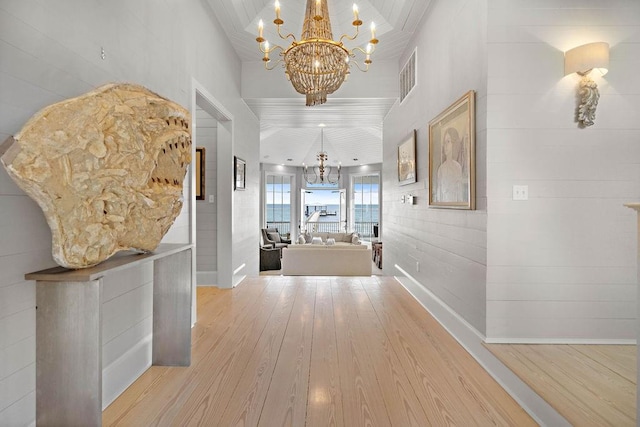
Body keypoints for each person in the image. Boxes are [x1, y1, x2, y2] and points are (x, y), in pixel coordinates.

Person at [436, 127, 464, 202]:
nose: (445, 145)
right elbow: (439, 195)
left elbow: (460, 194)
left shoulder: (458, 167)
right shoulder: (441, 169)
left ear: (453, 143)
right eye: (444, 142)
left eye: (448, 141)